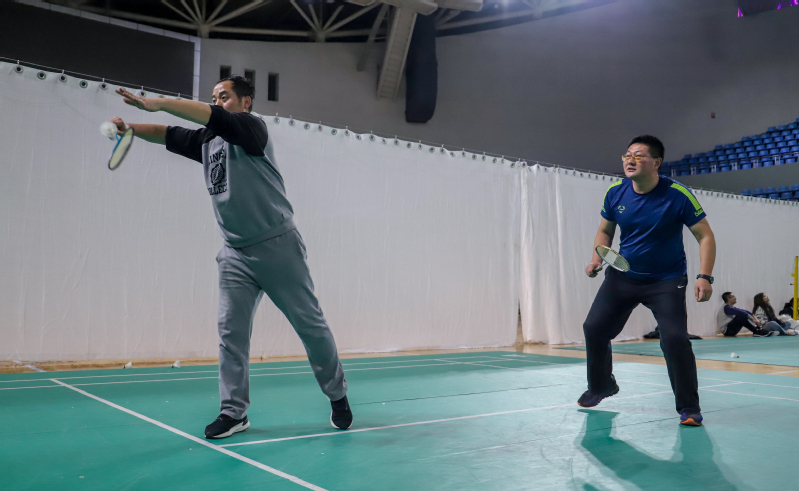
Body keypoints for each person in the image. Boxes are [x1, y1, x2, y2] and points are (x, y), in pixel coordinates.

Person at [108, 76, 352, 439]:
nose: (217, 102)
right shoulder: (208, 141)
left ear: (245, 102)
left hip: (277, 246)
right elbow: (169, 134)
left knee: (310, 325)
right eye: (213, 97)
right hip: (235, 253)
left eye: (224, 97)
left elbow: (211, 117)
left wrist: (155, 102)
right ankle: (233, 412)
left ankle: (337, 396)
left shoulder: (252, 129)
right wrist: (130, 129)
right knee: (230, 333)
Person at [580, 135, 715, 427]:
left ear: (656, 163)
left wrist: (704, 276)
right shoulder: (615, 192)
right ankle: (602, 385)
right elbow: (605, 231)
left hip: (666, 280)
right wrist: (596, 259)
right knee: (594, 328)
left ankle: (689, 407)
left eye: (639, 156)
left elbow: (705, 235)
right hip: (624, 276)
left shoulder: (678, 194)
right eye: (627, 155)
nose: (630, 160)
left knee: (675, 339)